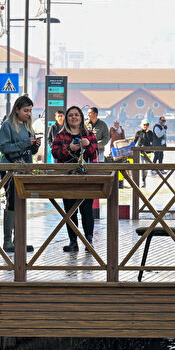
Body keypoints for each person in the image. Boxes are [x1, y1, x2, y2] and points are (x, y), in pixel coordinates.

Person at [50, 105, 100, 252]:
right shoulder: (61, 135)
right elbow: (55, 153)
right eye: (71, 115)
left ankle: (88, 240)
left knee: (87, 210)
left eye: (76, 115)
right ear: (67, 118)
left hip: (86, 178)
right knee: (70, 211)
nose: (74, 117)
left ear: (81, 118)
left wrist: (88, 145)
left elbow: (94, 153)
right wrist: (69, 149)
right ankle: (73, 241)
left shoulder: (89, 134)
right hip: (68, 178)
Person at [0, 94, 40, 255]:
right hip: (11, 168)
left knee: (22, 202)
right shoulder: (7, 125)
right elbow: (5, 148)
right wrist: (25, 143)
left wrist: (35, 145)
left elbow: (29, 149)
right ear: (17, 110)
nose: (28, 114)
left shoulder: (28, 126)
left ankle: (19, 239)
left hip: (25, 167)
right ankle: (8, 240)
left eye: (30, 111)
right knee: (12, 202)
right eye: (26, 110)